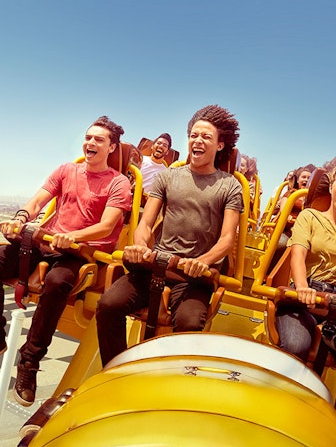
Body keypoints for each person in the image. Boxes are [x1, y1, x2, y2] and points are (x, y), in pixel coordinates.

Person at [0, 116, 132, 407]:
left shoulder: (118, 183)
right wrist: (20, 218)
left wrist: (71, 236)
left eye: (99, 139)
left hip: (80, 252)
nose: (91, 143)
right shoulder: (66, 170)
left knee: (58, 282)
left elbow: (107, 226)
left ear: (112, 147)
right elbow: (37, 202)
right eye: (88, 137)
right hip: (47, 242)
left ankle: (29, 362)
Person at [96, 105, 243, 366]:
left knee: (188, 324)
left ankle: (172, 381)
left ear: (220, 145)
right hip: (157, 265)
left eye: (206, 137)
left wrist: (203, 262)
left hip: (192, 276)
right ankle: (114, 369)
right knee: (108, 306)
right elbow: (146, 222)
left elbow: (226, 239)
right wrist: (140, 246)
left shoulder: (229, 186)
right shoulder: (168, 177)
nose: (197, 141)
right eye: (193, 136)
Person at [274, 155, 336, 428]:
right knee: (296, 346)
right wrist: (303, 287)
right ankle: (281, 412)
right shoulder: (310, 217)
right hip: (306, 295)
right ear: (331, 187)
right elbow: (298, 255)